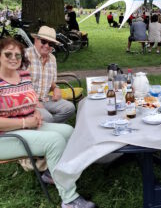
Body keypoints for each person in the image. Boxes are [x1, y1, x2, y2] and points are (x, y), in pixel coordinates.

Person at [0, 37, 96, 208]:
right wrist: (24, 123)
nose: (14, 58)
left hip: (27, 125)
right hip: (5, 137)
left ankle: (52, 173)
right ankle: (69, 199)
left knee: (68, 130)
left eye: (18, 55)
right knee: (54, 141)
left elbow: (32, 100)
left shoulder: (22, 74)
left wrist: (36, 112)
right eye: (8, 54)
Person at [26, 26, 75, 123]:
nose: (47, 46)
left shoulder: (52, 59)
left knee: (69, 108)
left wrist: (56, 88)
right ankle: (50, 128)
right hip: (27, 101)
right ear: (36, 40)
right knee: (47, 117)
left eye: (51, 43)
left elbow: (51, 82)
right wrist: (34, 101)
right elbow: (16, 84)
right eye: (44, 41)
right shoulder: (25, 55)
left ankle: (48, 127)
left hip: (45, 99)